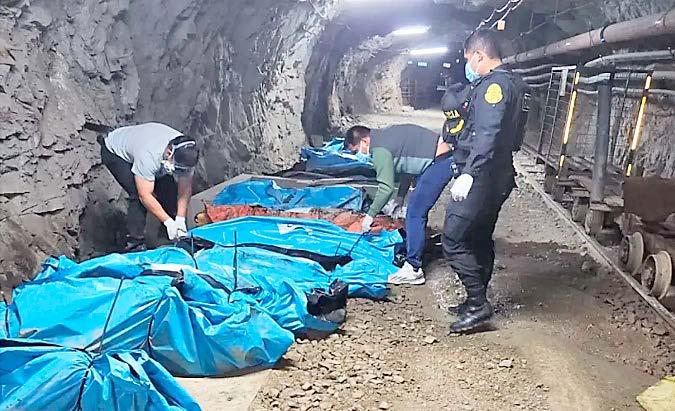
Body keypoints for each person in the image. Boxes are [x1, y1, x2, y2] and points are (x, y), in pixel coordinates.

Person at [443, 29, 530, 333]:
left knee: (453, 238)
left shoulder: (494, 86)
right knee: (478, 236)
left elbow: (487, 134)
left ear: (479, 56)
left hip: (483, 174)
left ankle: (478, 304)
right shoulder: (513, 82)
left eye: (469, 58)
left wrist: (469, 172)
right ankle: (474, 299)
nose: (468, 65)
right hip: (497, 173)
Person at [344, 123, 460, 285]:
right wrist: (400, 197)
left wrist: (370, 216)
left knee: (415, 213)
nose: (360, 154)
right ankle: (415, 254)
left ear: (364, 141)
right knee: (415, 209)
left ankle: (413, 268)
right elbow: (408, 167)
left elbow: (385, 188)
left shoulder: (379, 150)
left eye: (357, 150)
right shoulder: (384, 137)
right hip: (438, 157)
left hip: (441, 161)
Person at [100, 122, 199, 251]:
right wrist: (168, 221)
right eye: (177, 169)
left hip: (152, 155)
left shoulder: (187, 154)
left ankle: (170, 237)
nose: (180, 173)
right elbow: (145, 195)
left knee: (169, 192)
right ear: (169, 152)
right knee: (137, 195)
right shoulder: (149, 155)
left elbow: (184, 189)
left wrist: (180, 219)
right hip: (116, 153)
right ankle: (134, 243)